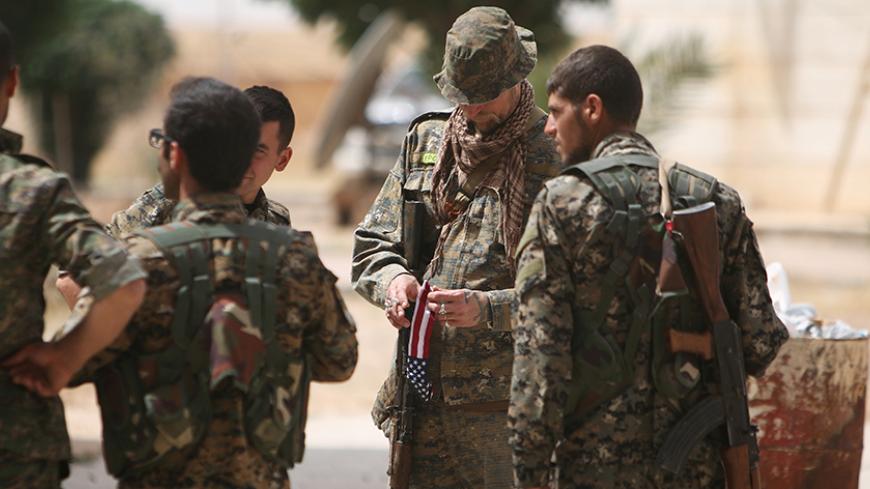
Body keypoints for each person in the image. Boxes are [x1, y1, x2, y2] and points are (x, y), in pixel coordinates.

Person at [10, 76, 358, 489]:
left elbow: (83, 359)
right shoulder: (295, 256)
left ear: (175, 156)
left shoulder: (140, 261)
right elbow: (338, 360)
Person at [508, 45, 789, 489]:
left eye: (557, 111)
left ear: (592, 109)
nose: (548, 126)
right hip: (696, 469)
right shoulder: (717, 201)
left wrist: (529, 473)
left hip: (593, 471)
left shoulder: (562, 204)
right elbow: (762, 344)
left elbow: (539, 367)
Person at [351, 6, 560, 488]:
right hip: (420, 397)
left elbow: (571, 294)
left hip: (507, 410)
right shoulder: (427, 141)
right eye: (461, 96)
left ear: (517, 78)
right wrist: (395, 282)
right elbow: (371, 247)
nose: (471, 109)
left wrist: (488, 309)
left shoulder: (552, 155)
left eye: (483, 97)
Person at [0, 19, 146, 489]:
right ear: (12, 82)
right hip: (13, 439)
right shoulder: (32, 189)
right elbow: (123, 281)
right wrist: (66, 357)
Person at [55, 84, 295, 307]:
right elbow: (71, 279)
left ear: (282, 159)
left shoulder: (277, 221)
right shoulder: (170, 202)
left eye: (257, 150)